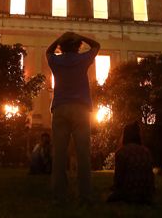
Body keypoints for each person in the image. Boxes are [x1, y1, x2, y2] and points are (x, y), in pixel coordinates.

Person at [46, 31, 100, 204]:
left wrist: (59, 38)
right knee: (83, 154)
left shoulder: (56, 61)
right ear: (77, 46)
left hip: (60, 108)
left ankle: (59, 195)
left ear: (62, 46)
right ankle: (85, 195)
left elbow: (48, 51)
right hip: (81, 109)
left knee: (59, 154)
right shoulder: (83, 59)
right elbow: (97, 45)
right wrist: (81, 36)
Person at [107, 122, 155, 204]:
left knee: (109, 197)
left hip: (129, 193)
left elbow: (118, 179)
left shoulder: (121, 152)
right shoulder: (146, 151)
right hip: (146, 194)